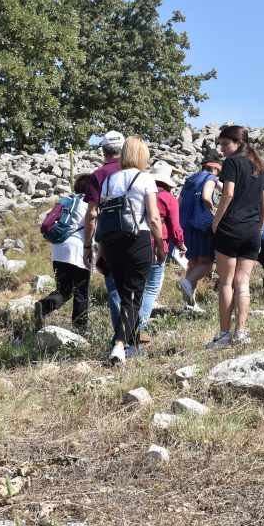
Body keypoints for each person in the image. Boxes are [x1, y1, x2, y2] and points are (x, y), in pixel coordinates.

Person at [91, 136, 167, 365]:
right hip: (138, 240)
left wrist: (100, 251)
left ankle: (131, 345)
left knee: (126, 295)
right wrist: (161, 246)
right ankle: (119, 345)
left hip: (112, 243)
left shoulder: (108, 181)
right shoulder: (145, 179)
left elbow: (102, 217)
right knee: (133, 296)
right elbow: (154, 218)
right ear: (142, 155)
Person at [206, 125, 264, 349]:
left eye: (225, 143)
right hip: (252, 230)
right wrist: (259, 228)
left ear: (238, 142)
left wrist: (216, 221)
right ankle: (240, 333)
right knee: (243, 281)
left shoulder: (232, 163)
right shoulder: (259, 167)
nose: (222, 148)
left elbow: (228, 194)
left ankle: (224, 335)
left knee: (225, 282)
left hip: (230, 227)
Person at [136, 161, 186, 343]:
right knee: (151, 287)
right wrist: (180, 243)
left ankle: (128, 323)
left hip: (134, 243)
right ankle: (140, 326)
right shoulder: (168, 198)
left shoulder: (141, 192)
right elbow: (174, 225)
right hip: (157, 245)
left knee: (137, 286)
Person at [34, 175, 90, 334]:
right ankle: (80, 329)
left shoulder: (69, 201)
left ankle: (43, 306)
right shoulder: (88, 205)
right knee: (81, 291)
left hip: (58, 249)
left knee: (64, 290)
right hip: (77, 251)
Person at [82, 131, 125, 333]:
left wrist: (88, 246)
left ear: (103, 151)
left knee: (115, 289)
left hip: (110, 239)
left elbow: (92, 215)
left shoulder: (98, 175)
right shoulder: (136, 172)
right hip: (138, 237)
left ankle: (121, 338)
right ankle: (136, 330)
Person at [177, 156, 222, 312]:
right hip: (201, 224)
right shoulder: (210, 177)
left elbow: (178, 204)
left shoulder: (189, 180)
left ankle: (189, 305)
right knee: (207, 262)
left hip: (185, 225)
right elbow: (206, 196)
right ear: (215, 169)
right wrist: (215, 213)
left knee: (194, 263)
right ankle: (187, 282)